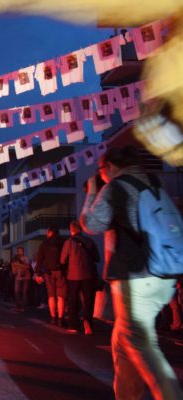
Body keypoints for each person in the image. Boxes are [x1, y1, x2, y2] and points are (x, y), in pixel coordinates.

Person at [80, 145, 183, 399]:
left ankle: (170, 394)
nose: (100, 174)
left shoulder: (116, 186)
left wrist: (92, 193)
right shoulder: (154, 183)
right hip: (165, 273)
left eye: (101, 170)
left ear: (111, 167)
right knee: (123, 344)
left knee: (138, 341)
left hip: (136, 276)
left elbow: (91, 223)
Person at [60, 220, 99, 335]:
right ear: (81, 229)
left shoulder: (69, 242)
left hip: (73, 275)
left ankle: (74, 325)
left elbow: (62, 260)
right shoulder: (90, 241)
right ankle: (87, 322)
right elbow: (97, 258)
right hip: (89, 275)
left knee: (73, 300)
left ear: (71, 230)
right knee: (88, 300)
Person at [35, 226, 66, 326]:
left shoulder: (45, 243)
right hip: (61, 271)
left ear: (49, 232)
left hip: (48, 272)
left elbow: (39, 259)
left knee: (51, 295)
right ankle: (61, 318)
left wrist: (38, 273)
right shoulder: (63, 242)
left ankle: (53, 317)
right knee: (61, 296)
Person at [11, 246, 31, 312]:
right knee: (16, 292)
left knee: (24, 293)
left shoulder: (26, 258)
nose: (19, 252)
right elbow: (14, 271)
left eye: (21, 251)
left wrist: (18, 264)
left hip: (26, 277)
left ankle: (23, 307)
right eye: (18, 251)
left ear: (23, 251)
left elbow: (27, 267)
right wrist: (13, 266)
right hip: (18, 277)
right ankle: (17, 306)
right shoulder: (15, 259)